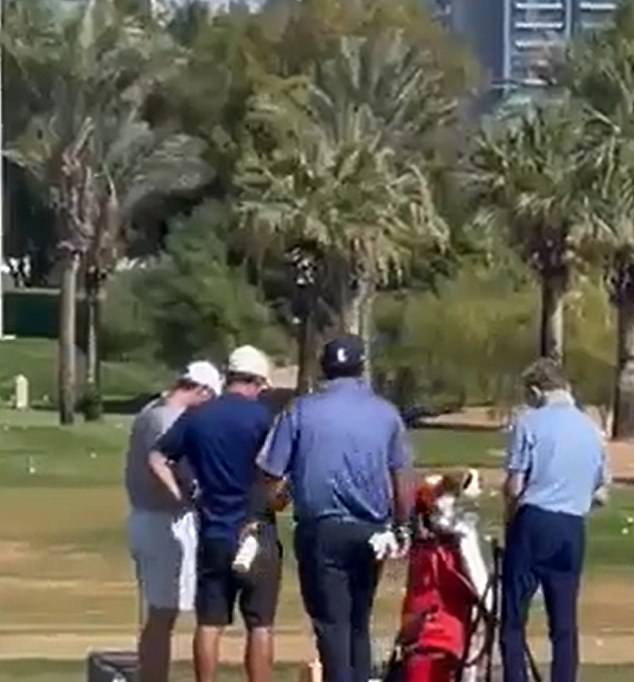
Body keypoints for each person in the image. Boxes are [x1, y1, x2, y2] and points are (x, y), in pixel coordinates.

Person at [257, 335, 413, 682]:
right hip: (371, 530)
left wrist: (275, 501)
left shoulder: (300, 410)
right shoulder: (385, 413)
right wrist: (403, 526)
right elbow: (402, 477)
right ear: (360, 368)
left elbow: (270, 474)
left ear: (323, 369)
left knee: (331, 624)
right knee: (359, 618)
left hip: (321, 530)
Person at [149, 345, 280, 682]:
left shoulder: (198, 416)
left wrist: (183, 496)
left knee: (210, 623)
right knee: (260, 625)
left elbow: (158, 458)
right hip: (257, 530)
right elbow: (278, 474)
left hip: (214, 530)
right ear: (253, 381)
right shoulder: (264, 418)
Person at [500, 358, 610, 682]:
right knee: (563, 622)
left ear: (536, 390)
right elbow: (602, 491)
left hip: (534, 520)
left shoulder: (529, 422)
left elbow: (515, 486)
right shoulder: (590, 428)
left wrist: (510, 518)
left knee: (513, 617)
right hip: (572, 525)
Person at [125, 361, 222, 682]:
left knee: (161, 612)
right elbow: (165, 464)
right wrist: (187, 496)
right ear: (200, 390)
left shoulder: (151, 410)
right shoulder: (166, 418)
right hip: (161, 520)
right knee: (162, 613)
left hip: (151, 518)